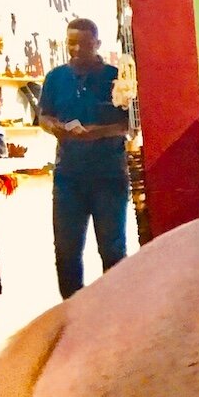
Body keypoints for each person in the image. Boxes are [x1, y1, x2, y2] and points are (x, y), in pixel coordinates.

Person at [37, 18, 130, 298]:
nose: (76, 49)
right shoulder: (55, 78)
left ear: (97, 44)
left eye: (84, 44)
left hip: (109, 177)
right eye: (71, 44)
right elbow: (43, 116)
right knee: (66, 251)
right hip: (68, 177)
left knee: (113, 251)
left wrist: (96, 133)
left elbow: (129, 124)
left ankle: (115, 312)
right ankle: (71, 313)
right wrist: (54, 127)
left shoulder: (115, 79)